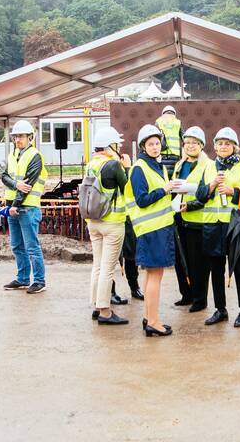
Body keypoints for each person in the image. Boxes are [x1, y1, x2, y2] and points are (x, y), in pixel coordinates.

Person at [129, 124, 185, 337]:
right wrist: (165, 189)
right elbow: (142, 200)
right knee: (155, 276)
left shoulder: (158, 167)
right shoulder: (139, 169)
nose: (155, 147)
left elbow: (159, 199)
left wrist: (172, 198)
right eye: (150, 144)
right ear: (143, 146)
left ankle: (148, 317)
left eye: (157, 143)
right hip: (151, 230)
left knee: (152, 275)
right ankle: (153, 321)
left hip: (160, 227)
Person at [203, 127, 240, 328]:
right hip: (213, 225)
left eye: (227, 143)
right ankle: (220, 309)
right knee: (215, 270)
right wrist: (210, 186)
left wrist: (232, 191)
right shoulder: (209, 167)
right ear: (215, 147)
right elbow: (201, 195)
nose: (223, 146)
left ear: (234, 147)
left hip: (236, 226)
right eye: (220, 143)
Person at [85, 127, 131, 326]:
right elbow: (127, 188)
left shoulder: (91, 163)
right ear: (110, 146)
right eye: (117, 144)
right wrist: (126, 167)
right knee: (108, 268)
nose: (120, 147)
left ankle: (96, 305)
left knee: (97, 265)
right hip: (112, 222)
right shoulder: (112, 165)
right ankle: (105, 311)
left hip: (93, 221)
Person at [1, 120, 49, 294]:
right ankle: (22, 278)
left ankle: (39, 281)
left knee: (31, 246)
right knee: (17, 246)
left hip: (27, 207)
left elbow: (28, 185)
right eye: (15, 136)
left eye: (21, 136)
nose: (18, 139)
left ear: (30, 137)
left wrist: (15, 204)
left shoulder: (35, 156)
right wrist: (15, 184)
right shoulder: (12, 154)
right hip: (14, 207)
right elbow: (4, 176)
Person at [173, 126, 217, 313]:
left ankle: (200, 299)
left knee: (198, 262)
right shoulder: (179, 164)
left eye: (194, 143)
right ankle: (187, 294)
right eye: (187, 142)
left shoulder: (208, 165)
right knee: (181, 259)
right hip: (178, 218)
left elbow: (209, 192)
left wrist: (190, 206)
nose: (190, 146)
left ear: (201, 145)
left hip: (197, 220)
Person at [155, 104, 183, 174]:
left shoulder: (159, 121)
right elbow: (184, 138)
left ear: (163, 113)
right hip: (176, 155)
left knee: (164, 176)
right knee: (174, 176)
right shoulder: (178, 122)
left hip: (163, 154)